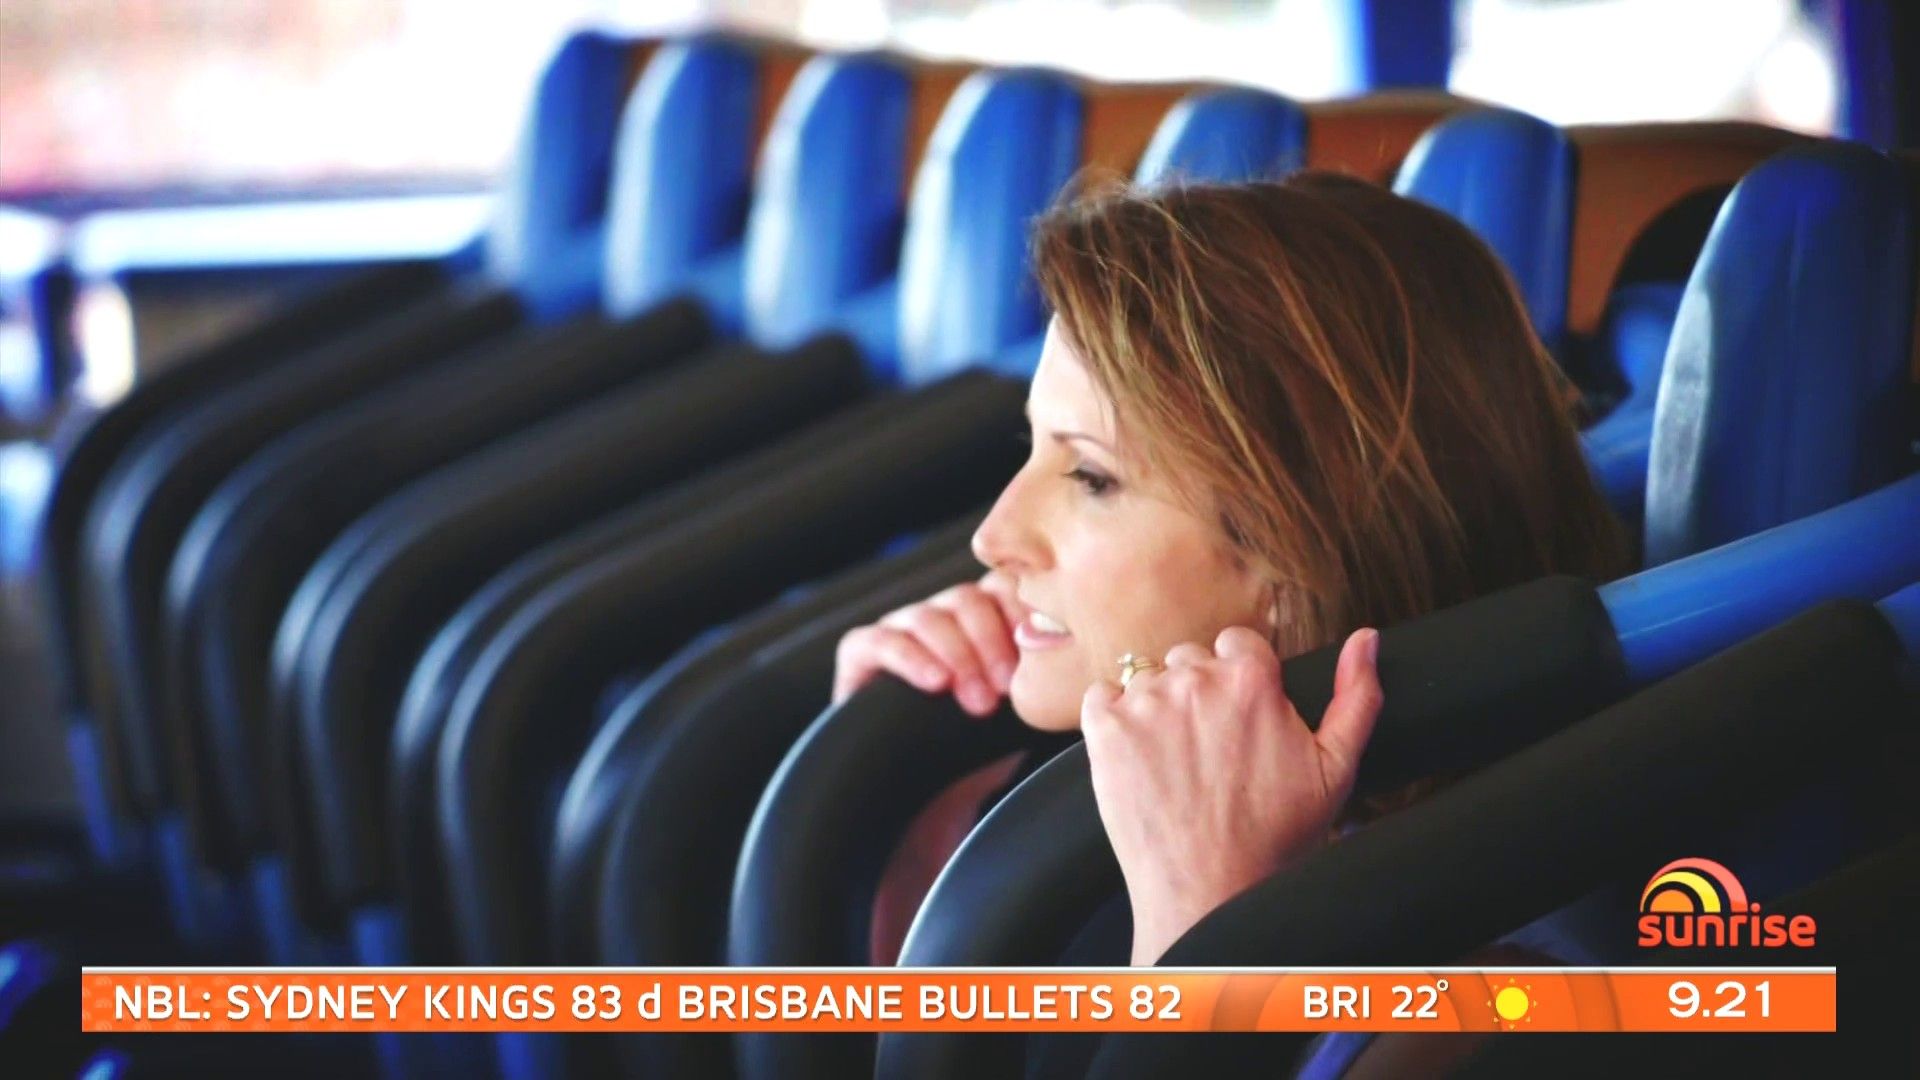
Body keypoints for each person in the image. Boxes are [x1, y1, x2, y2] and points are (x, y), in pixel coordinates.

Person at [833, 171, 1630, 970]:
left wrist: (1200, 927)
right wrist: (911, 838)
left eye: (1091, 477)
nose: (993, 537)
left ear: (1302, 558)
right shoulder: (1108, 825)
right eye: (1032, 447)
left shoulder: (1484, 986)